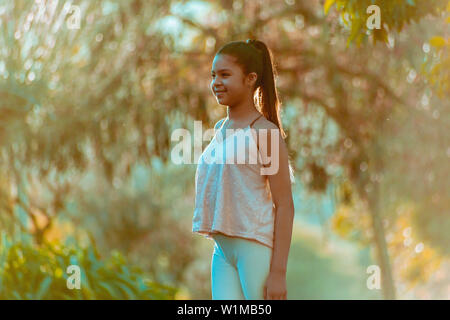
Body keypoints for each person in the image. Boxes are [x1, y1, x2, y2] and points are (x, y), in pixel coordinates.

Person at [192, 39, 295, 300]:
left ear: (251, 79)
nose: (216, 82)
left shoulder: (265, 133)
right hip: (222, 251)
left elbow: (284, 204)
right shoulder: (218, 131)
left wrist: (278, 273)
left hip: (254, 248)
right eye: (213, 75)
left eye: (225, 75)